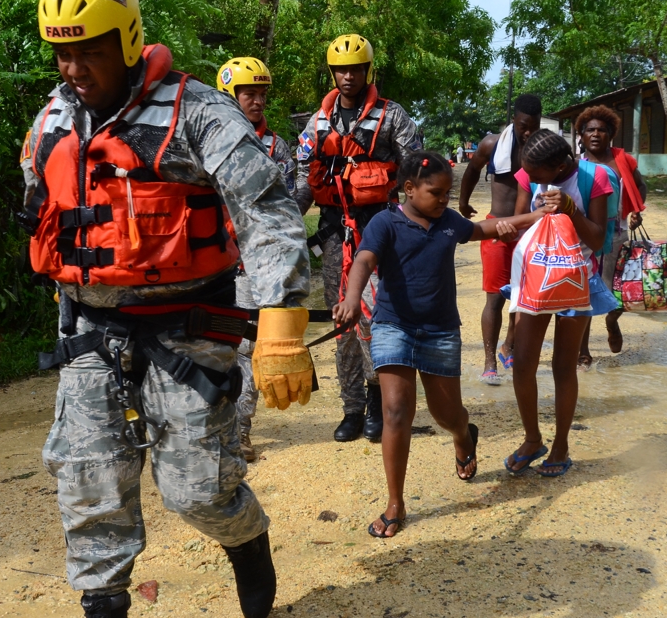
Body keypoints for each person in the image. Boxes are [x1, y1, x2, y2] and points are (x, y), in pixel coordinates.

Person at [19, 0, 313, 618]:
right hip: (92, 333)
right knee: (89, 483)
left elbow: (267, 213)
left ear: (126, 41)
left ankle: (245, 537)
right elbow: (46, 209)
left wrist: (281, 319)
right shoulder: (54, 120)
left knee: (197, 488)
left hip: (189, 328)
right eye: (62, 50)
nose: (73, 65)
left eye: (88, 48)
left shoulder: (199, 112)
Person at [333, 152, 550, 538]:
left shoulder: (449, 222)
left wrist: (535, 218)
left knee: (446, 414)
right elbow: (364, 260)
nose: (444, 200)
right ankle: (395, 502)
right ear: (409, 189)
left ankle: (463, 435)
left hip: (439, 330)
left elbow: (486, 228)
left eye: (449, 194)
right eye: (436, 192)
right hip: (393, 326)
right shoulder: (386, 223)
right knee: (397, 411)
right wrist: (352, 298)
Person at [299, 33, 423, 443]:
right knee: (342, 320)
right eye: (341, 69)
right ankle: (351, 408)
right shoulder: (317, 123)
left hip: (380, 229)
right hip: (335, 233)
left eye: (355, 69)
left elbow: (414, 173)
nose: (348, 76)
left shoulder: (393, 117)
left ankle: (375, 402)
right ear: (332, 72)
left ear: (368, 71)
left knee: (376, 318)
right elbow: (304, 180)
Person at [505, 129, 620, 478]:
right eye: (529, 175)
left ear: (559, 166)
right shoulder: (530, 173)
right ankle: (532, 439)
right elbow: (522, 224)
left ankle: (561, 446)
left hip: (577, 279)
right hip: (537, 278)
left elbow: (599, 239)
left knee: (562, 367)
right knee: (523, 362)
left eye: (538, 176)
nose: (532, 181)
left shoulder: (596, 178)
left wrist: (569, 209)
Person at [217, 56, 311, 463]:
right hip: (215, 266)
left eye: (261, 94)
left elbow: (289, 205)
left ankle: (239, 432)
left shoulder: (276, 148)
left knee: (248, 346)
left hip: (258, 270)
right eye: (248, 94)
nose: (257, 101)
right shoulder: (209, 147)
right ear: (229, 97)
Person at [457, 94, 543, 386]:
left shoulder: (543, 148)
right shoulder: (493, 145)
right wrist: (463, 203)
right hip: (497, 229)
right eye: (523, 126)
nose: (528, 132)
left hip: (531, 232)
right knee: (494, 298)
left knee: (523, 300)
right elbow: (471, 170)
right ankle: (489, 361)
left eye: (534, 126)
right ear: (514, 121)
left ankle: (510, 345)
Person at [575, 105, 647, 366]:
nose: (596, 134)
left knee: (617, 292)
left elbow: (640, 185)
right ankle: (582, 351)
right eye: (590, 130)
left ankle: (611, 322)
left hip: (616, 235)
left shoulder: (621, 160)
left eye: (601, 130)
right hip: (583, 237)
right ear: (581, 135)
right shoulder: (575, 164)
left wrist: (637, 209)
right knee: (583, 294)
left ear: (610, 135)